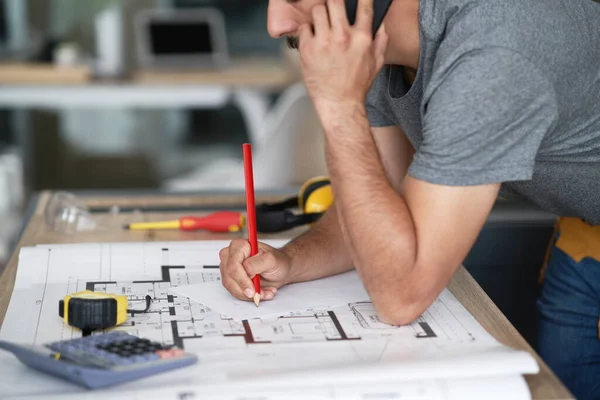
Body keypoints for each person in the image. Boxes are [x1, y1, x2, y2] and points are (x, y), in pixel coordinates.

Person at [218, 0, 600, 397]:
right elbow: (379, 207)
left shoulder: (494, 50)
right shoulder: (376, 47)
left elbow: (401, 296)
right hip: (584, 240)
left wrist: (338, 106)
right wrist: (291, 261)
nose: (275, 25)